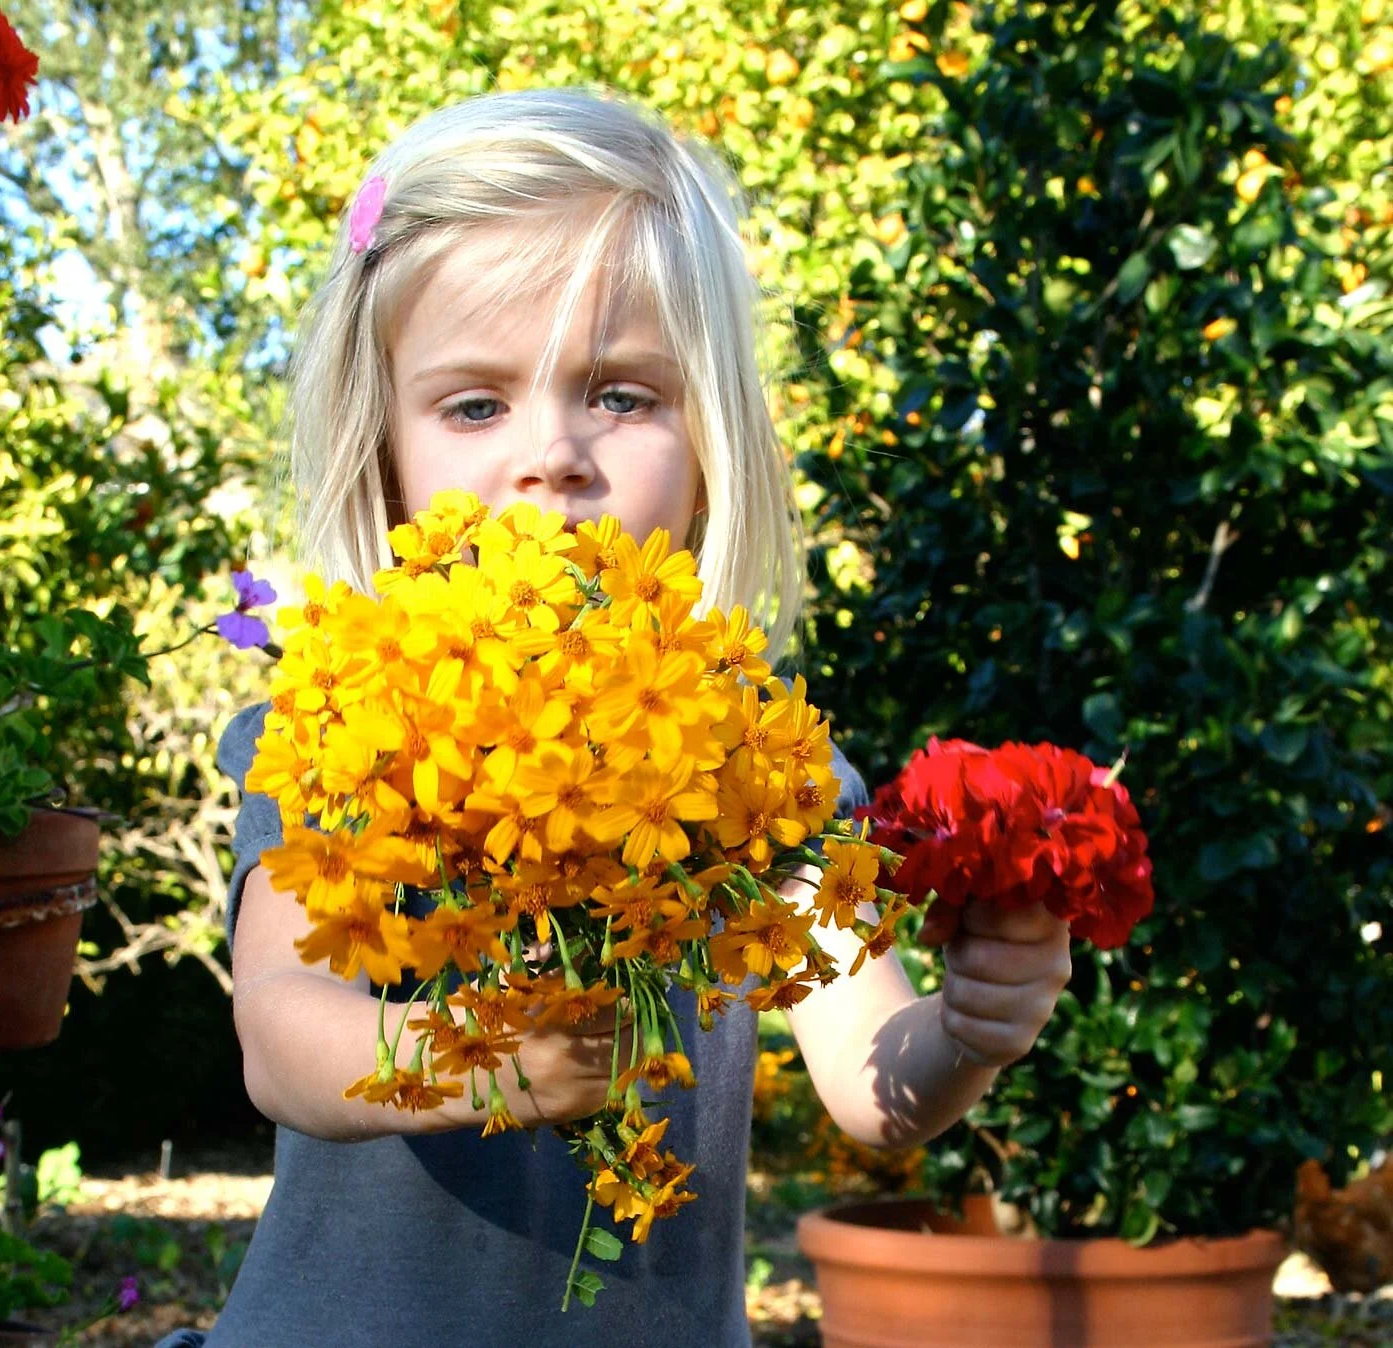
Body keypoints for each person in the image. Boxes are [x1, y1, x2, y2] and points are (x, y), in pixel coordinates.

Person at [157, 86, 1072, 1348]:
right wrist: (481, 1058)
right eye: (474, 406)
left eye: (622, 396)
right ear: (385, 456)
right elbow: (282, 1032)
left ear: (711, 443)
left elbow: (876, 1090)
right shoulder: (345, 720)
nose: (553, 457)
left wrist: (971, 1028)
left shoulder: (761, 764)